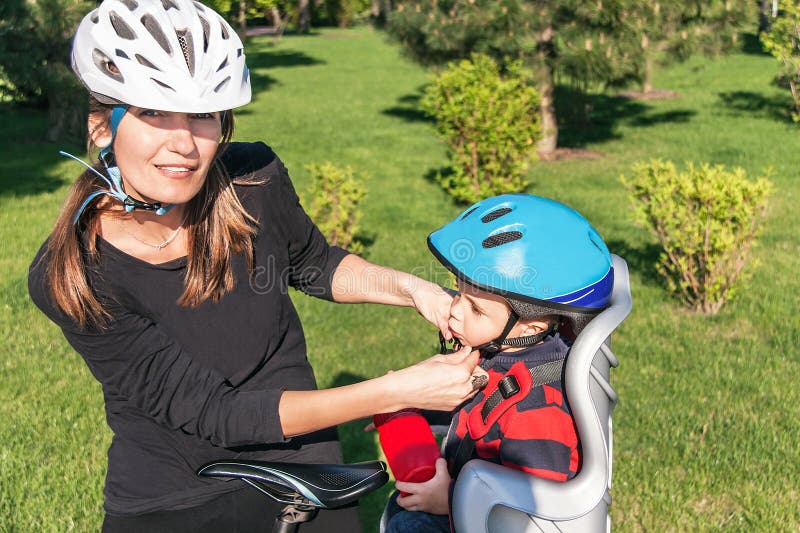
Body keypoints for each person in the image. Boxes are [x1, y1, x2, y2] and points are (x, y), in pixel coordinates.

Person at [26, 1, 484, 531]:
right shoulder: (73, 275)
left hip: (301, 459)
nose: (184, 144)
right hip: (175, 489)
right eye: (153, 113)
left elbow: (316, 264)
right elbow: (217, 414)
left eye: (202, 115)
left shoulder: (253, 182)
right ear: (102, 126)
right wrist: (395, 390)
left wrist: (415, 291)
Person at [382, 193, 615, 533]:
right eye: (458, 293)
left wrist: (447, 500)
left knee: (407, 524)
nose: (455, 311)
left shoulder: (538, 412)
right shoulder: (500, 352)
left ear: (531, 326)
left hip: (481, 516)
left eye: (475, 309)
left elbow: (534, 510)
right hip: (463, 492)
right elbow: (473, 404)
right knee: (401, 509)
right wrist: (408, 402)